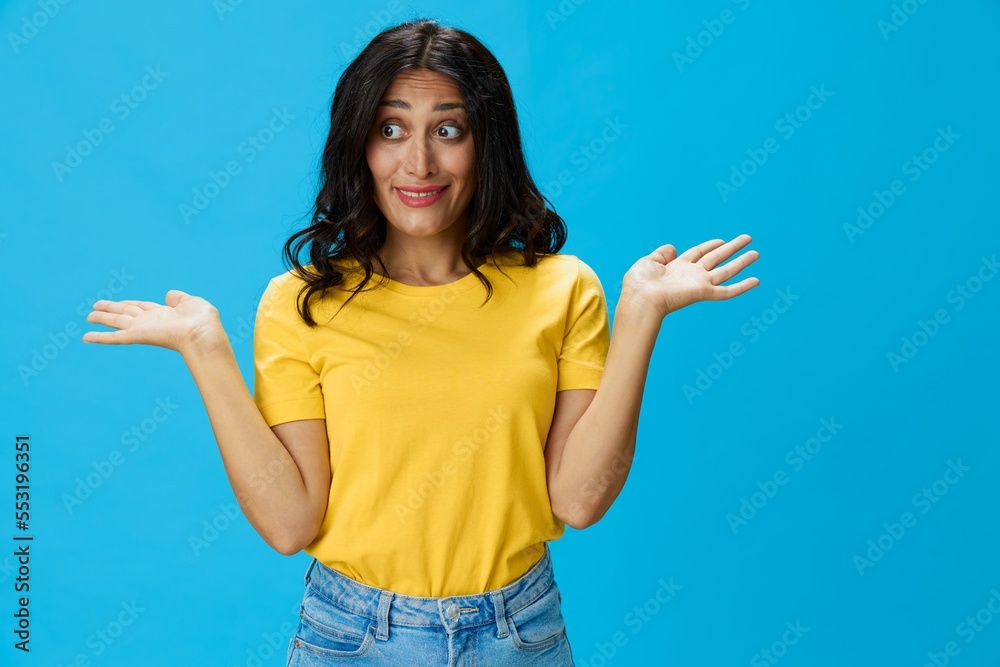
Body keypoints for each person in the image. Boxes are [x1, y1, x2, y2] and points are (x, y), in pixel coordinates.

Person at [81, 18, 759, 666]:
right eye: (391, 128)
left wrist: (640, 313)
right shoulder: (300, 303)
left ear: (484, 141)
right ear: (360, 145)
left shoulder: (563, 290)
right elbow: (291, 523)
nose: (419, 161)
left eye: (449, 129)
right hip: (348, 634)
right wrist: (205, 348)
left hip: (519, 632)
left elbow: (578, 500)